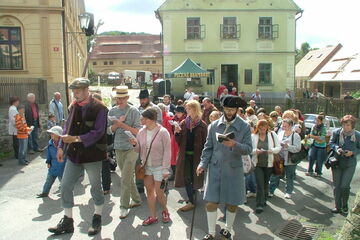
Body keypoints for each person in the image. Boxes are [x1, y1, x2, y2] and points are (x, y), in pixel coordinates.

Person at [48, 78, 107, 236]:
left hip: (93, 154)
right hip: (75, 154)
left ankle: (97, 217)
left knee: (95, 187)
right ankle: (68, 221)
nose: (75, 93)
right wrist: (60, 146)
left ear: (87, 89)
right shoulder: (73, 106)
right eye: (74, 91)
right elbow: (67, 127)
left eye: (78, 91)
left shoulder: (100, 108)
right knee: (66, 186)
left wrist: (75, 139)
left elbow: (98, 132)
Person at [196, 95, 251, 240]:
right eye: (227, 109)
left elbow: (248, 149)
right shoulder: (213, 125)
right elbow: (208, 148)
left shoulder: (244, 126)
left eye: (232, 109)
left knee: (232, 202)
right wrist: (202, 164)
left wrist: (234, 145)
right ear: (222, 108)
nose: (229, 112)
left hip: (233, 169)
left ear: (237, 109)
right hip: (215, 169)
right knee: (211, 202)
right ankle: (211, 232)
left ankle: (227, 229)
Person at [130, 108, 172, 225]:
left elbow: (167, 152)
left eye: (143, 118)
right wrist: (134, 144)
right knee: (149, 191)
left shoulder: (163, 132)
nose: (141, 120)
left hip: (159, 167)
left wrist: (165, 169)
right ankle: (153, 216)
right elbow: (138, 149)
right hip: (146, 167)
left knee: (159, 193)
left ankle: (165, 211)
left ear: (150, 119)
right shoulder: (141, 132)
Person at [108, 86, 142, 219]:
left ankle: (123, 206)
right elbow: (108, 131)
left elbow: (138, 131)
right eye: (118, 98)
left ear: (127, 98)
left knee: (125, 178)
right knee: (126, 176)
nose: (119, 101)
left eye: (122, 98)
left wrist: (123, 125)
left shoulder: (134, 111)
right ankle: (137, 199)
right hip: (118, 147)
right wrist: (117, 124)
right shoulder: (112, 111)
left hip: (132, 147)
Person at [174, 100, 207, 212]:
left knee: (195, 178)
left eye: (188, 108)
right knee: (187, 178)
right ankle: (191, 201)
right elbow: (179, 142)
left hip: (197, 157)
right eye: (186, 108)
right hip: (185, 156)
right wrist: (177, 132)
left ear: (195, 109)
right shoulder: (184, 123)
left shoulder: (202, 125)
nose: (186, 110)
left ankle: (192, 197)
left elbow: (206, 143)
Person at [329, 115, 360, 214]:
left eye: (348, 125)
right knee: (336, 186)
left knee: (344, 185)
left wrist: (353, 152)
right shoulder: (337, 132)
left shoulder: (357, 135)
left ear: (352, 125)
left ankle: (344, 204)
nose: (345, 127)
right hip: (337, 162)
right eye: (343, 124)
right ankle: (337, 207)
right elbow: (331, 143)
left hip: (350, 163)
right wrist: (337, 148)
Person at [251, 119, 281, 213]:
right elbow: (249, 149)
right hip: (257, 164)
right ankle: (259, 204)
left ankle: (263, 199)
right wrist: (256, 151)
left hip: (269, 163)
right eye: (260, 129)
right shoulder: (253, 136)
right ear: (257, 128)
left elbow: (278, 148)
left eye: (264, 129)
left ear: (267, 128)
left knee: (265, 183)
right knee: (259, 183)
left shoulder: (272, 135)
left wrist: (271, 150)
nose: (262, 131)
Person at [269, 119, 301, 198]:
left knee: (289, 176)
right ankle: (271, 190)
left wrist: (288, 146)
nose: (283, 127)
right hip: (279, 158)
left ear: (290, 126)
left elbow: (298, 148)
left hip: (290, 159)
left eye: (285, 126)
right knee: (275, 174)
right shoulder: (280, 133)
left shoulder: (295, 135)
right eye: (283, 125)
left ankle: (288, 191)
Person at [37, 126, 66, 198]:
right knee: (49, 180)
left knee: (64, 183)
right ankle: (44, 193)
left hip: (63, 166)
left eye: (53, 133)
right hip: (53, 166)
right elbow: (49, 154)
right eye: (51, 133)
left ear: (58, 134)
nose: (51, 135)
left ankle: (66, 194)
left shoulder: (64, 144)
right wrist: (48, 162)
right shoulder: (50, 143)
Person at [92, 93, 112, 195]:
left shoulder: (105, 112)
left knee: (104, 166)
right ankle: (96, 188)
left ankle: (106, 187)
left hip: (103, 143)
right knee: (94, 167)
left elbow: (107, 130)